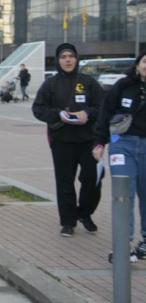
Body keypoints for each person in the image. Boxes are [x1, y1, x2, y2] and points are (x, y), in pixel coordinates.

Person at [32, 43, 104, 237]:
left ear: (76, 58)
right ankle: (68, 221)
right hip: (61, 140)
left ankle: (85, 213)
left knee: (93, 179)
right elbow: (38, 109)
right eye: (63, 56)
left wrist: (87, 113)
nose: (68, 60)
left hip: (88, 140)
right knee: (65, 182)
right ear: (58, 60)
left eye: (71, 56)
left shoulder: (89, 82)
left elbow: (103, 107)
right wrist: (58, 114)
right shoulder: (51, 85)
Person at [93, 51, 146, 254]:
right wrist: (99, 143)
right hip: (122, 144)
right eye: (145, 61)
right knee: (124, 194)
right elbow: (105, 113)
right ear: (137, 64)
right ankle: (123, 245)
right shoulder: (123, 86)